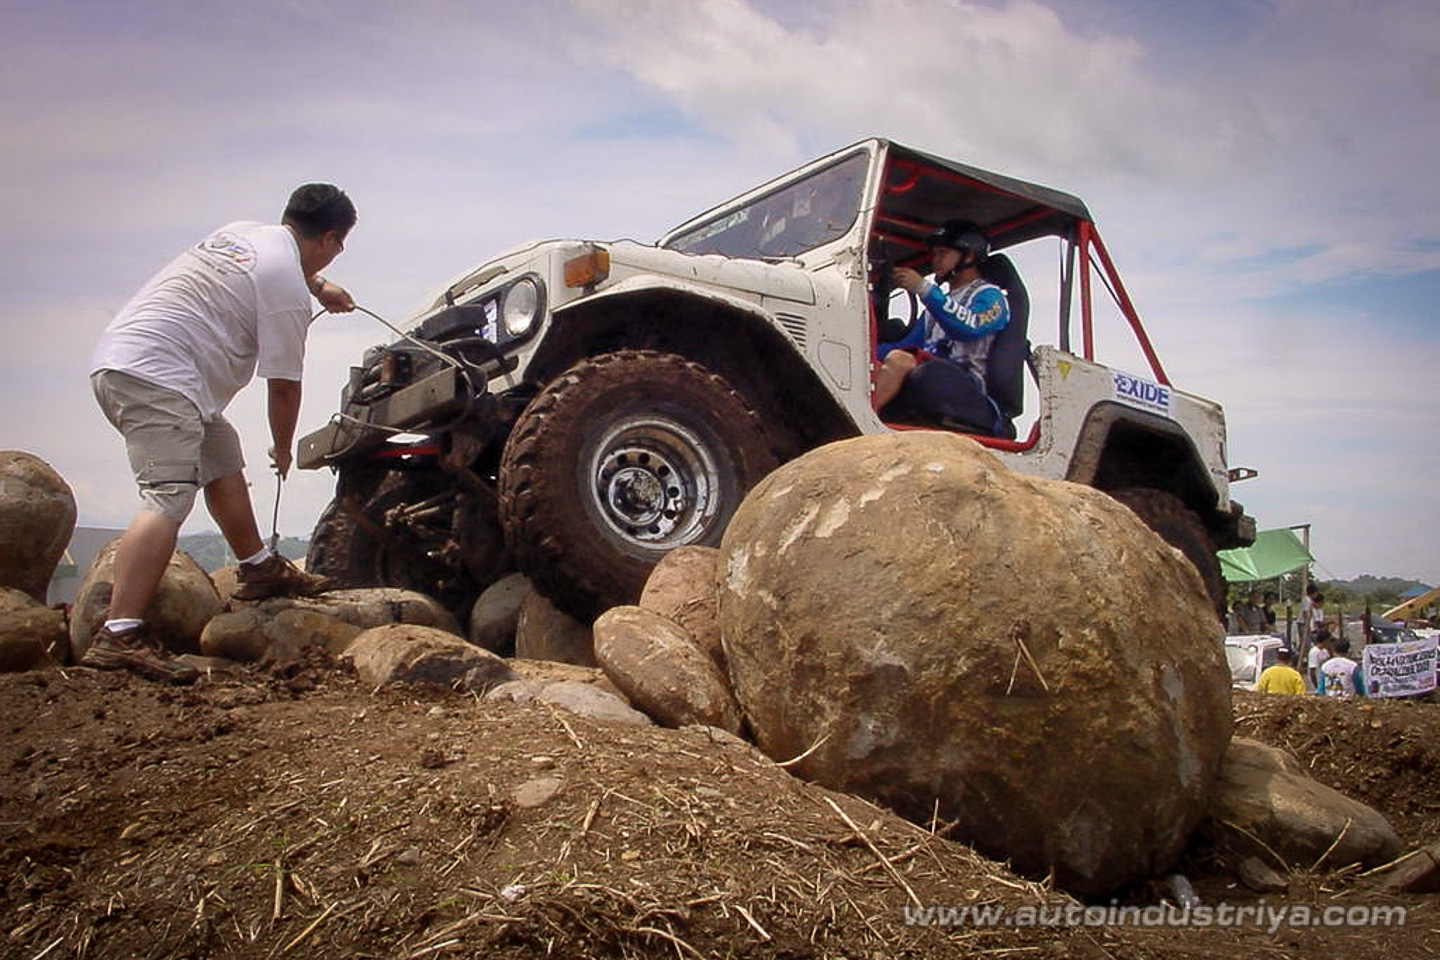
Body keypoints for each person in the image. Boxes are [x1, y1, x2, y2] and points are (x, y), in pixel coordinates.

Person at [83, 184, 358, 683]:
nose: (334, 258)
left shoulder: (243, 234)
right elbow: (284, 389)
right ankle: (118, 634)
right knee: (167, 497)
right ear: (331, 238)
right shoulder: (287, 294)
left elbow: (282, 271)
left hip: (135, 362)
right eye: (339, 248)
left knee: (222, 455)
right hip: (157, 375)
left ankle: (257, 568)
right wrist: (282, 445)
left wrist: (322, 287)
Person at [874, 219, 1010, 434]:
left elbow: (970, 327)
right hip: (933, 368)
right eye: (934, 254)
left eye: (943, 254)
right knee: (878, 362)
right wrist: (864, 352)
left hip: (968, 384)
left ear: (969, 256)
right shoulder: (937, 306)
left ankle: (862, 423)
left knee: (900, 360)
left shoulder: (991, 296)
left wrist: (923, 288)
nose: (935, 261)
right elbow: (908, 344)